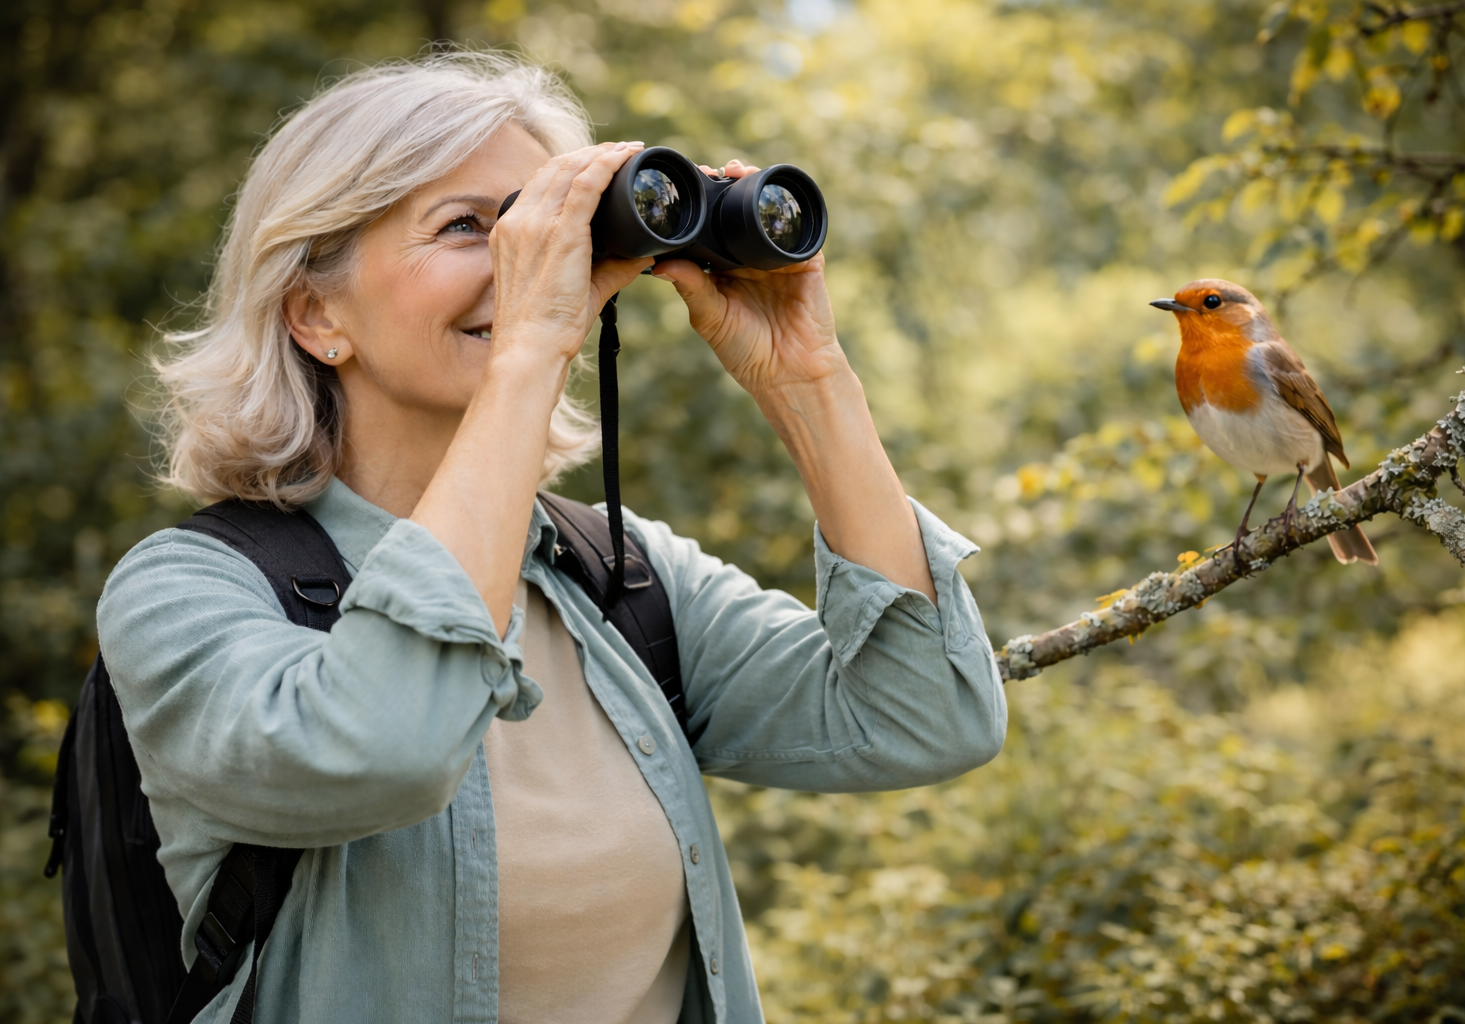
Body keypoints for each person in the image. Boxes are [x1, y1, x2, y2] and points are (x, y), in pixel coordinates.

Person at [97, 51, 1006, 1024]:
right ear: (317, 314)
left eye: (542, 223)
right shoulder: (186, 591)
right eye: (467, 227)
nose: (531, 260)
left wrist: (808, 379)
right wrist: (527, 351)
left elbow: (929, 713)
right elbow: (388, 745)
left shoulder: (618, 579)